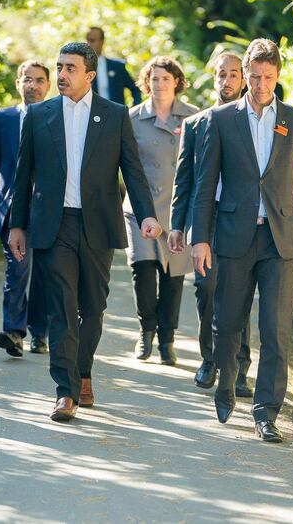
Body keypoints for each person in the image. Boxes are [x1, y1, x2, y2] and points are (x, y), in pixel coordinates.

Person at [8, 42, 161, 422]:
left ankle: (84, 371)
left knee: (93, 308)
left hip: (97, 224)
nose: (61, 75)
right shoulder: (40, 115)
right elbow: (22, 175)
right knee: (61, 307)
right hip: (53, 225)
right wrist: (16, 224)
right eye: (59, 66)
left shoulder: (114, 115)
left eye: (69, 68)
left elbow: (133, 171)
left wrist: (147, 216)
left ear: (89, 75)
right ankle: (66, 391)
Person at [190, 39, 293, 443]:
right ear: (243, 74)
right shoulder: (221, 119)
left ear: (277, 75)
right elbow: (205, 183)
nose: (261, 84)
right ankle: (226, 384)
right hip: (233, 236)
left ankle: (266, 412)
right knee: (227, 323)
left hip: (280, 239)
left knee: (275, 329)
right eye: (254, 76)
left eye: (267, 77)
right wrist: (201, 238)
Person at [169, 52, 254, 395]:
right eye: (222, 74)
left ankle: (241, 368)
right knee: (206, 288)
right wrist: (177, 224)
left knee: (241, 291)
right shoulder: (196, 124)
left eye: (234, 74)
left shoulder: (255, 122)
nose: (227, 80)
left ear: (244, 79)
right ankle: (210, 359)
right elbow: (183, 178)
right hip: (205, 219)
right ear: (214, 78)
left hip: (241, 221)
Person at [124, 56, 198, 365]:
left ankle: (167, 340)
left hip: (178, 210)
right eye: (153, 79)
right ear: (146, 82)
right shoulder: (132, 117)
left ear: (177, 82)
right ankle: (146, 332)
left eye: (165, 79)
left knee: (173, 277)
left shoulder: (193, 117)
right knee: (143, 271)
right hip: (141, 210)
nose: (159, 84)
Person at [0, 60, 51, 357]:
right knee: (17, 269)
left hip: (48, 207)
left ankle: (40, 333)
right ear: (18, 83)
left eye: (39, 80)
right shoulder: (2, 119)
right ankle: (13, 332)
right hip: (13, 206)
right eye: (27, 79)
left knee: (44, 274)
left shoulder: (57, 117)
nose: (33, 85)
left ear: (48, 86)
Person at [85, 27, 142, 106]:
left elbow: (136, 89)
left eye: (93, 40)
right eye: (87, 40)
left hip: (115, 115)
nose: (89, 44)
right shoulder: (82, 67)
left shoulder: (117, 66)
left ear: (102, 42)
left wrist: (133, 111)